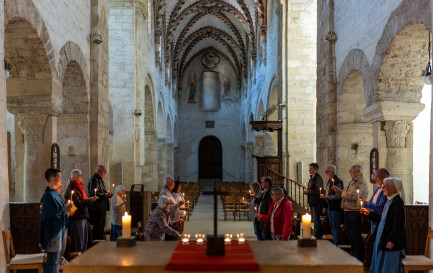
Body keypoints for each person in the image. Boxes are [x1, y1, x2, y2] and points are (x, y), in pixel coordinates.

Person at [363, 178, 406, 273]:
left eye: (386, 185)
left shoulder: (397, 203)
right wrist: (369, 214)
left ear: (394, 189)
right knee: (381, 263)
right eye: (383, 185)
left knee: (389, 266)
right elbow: (382, 218)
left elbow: (398, 224)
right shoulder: (387, 200)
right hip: (382, 235)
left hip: (390, 239)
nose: (383, 187)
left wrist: (392, 240)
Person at [39, 168, 73, 273]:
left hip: (59, 231)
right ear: (53, 179)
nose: (61, 180)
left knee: (55, 262)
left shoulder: (55, 194)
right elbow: (52, 217)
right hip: (52, 234)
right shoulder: (48, 196)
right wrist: (67, 209)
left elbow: (60, 211)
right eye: (60, 178)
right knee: (52, 263)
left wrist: (67, 210)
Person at [333, 164, 368, 262]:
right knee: (350, 235)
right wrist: (339, 191)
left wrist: (343, 193)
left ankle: (359, 257)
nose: (349, 172)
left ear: (358, 172)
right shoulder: (351, 182)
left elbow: (353, 196)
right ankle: (353, 255)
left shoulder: (361, 182)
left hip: (355, 211)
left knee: (355, 235)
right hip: (347, 210)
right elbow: (345, 194)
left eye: (351, 170)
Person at [65, 169, 97, 253]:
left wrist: (89, 199)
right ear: (74, 177)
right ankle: (77, 261)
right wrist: (90, 200)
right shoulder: (72, 188)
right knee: (79, 241)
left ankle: (82, 258)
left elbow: (82, 200)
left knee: (84, 240)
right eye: (79, 175)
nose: (81, 176)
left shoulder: (78, 187)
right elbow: (77, 203)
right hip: (77, 217)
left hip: (82, 216)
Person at [88, 165, 113, 240]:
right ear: (100, 172)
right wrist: (105, 194)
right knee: (98, 227)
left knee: (101, 227)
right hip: (97, 208)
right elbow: (94, 194)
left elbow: (101, 192)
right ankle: (97, 243)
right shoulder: (94, 180)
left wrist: (107, 194)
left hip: (101, 207)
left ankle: (100, 241)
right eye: (104, 172)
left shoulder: (100, 179)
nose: (105, 173)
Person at [360, 168, 389, 233]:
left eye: (376, 176)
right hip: (373, 218)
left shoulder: (386, 191)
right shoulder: (378, 189)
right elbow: (371, 202)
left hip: (379, 219)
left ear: (384, 177)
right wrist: (365, 207)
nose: (374, 179)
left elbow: (380, 207)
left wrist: (366, 204)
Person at [320, 165, 343, 245]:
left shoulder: (338, 181)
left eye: (327, 171)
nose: (326, 173)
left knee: (335, 226)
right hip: (330, 206)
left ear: (332, 172)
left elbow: (338, 195)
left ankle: (336, 243)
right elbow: (327, 193)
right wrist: (325, 206)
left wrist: (326, 197)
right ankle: (333, 242)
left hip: (336, 207)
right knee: (332, 226)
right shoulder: (329, 181)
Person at [303, 163, 324, 239]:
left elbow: (318, 191)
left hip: (316, 201)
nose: (309, 170)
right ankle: (316, 233)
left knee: (316, 219)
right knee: (314, 219)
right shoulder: (311, 178)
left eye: (311, 168)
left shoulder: (318, 178)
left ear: (315, 169)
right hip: (312, 201)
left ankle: (318, 235)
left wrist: (308, 192)